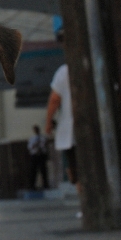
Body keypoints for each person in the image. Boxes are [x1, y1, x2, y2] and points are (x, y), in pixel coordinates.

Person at [46, 64, 82, 205]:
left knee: (75, 169)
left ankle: (85, 202)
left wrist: (48, 122)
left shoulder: (64, 71)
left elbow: (55, 99)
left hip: (71, 129)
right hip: (95, 127)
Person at [28, 125, 49, 190]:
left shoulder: (43, 138)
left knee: (43, 170)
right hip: (34, 155)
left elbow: (44, 145)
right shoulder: (32, 138)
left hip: (41, 155)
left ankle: (45, 185)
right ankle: (32, 185)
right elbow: (30, 147)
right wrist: (35, 144)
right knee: (33, 170)